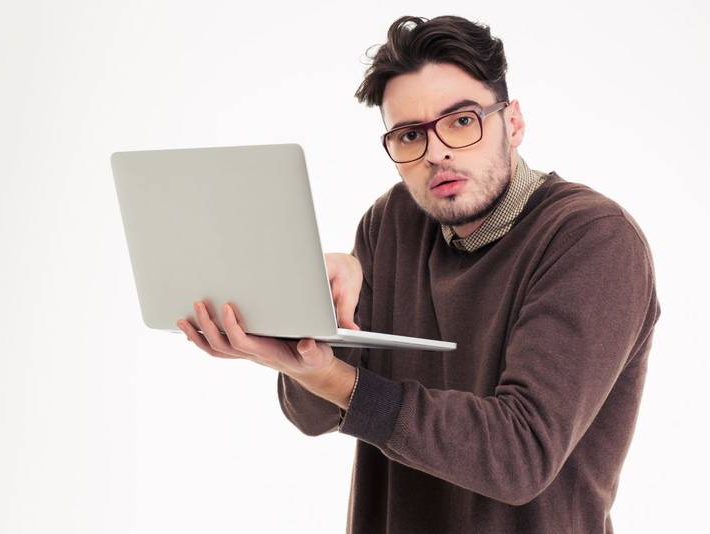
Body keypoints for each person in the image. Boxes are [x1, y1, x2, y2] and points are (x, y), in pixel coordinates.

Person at [176, 14, 661, 534]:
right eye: (410, 135)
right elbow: (312, 417)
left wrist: (338, 381)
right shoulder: (392, 223)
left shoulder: (592, 239)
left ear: (513, 123)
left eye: (462, 121)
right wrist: (308, 330)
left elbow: (520, 456)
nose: (437, 152)